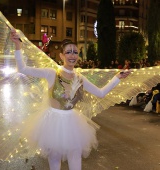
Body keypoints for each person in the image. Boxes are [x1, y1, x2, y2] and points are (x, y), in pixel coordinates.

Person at [10, 29, 130, 170]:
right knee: (54, 159)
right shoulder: (51, 73)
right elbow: (22, 69)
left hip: (73, 123)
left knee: (75, 158)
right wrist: (18, 46)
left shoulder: (80, 77)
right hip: (52, 123)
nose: (72, 55)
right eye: (68, 52)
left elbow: (101, 93)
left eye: (75, 52)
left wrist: (117, 78)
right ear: (61, 55)